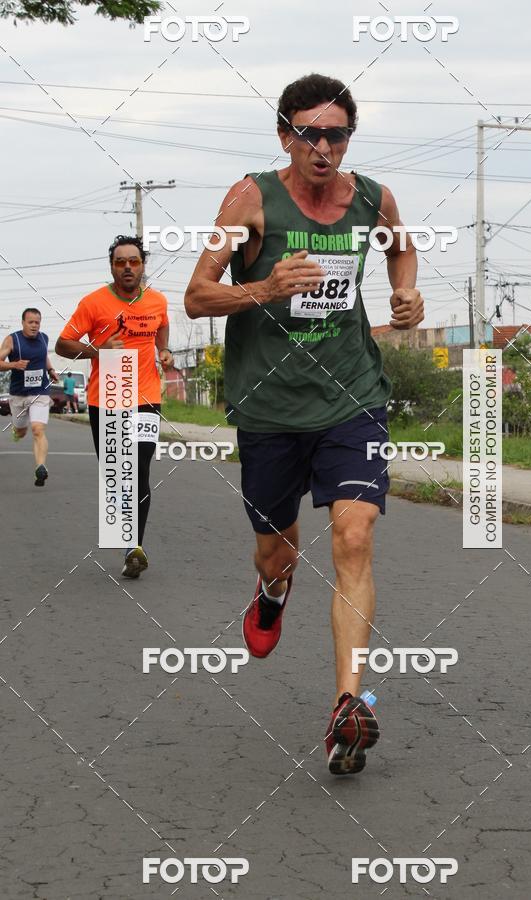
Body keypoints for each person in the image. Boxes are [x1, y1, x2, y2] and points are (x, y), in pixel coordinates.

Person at [185, 74, 424, 774]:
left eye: (336, 135)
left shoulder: (372, 198)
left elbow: (401, 247)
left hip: (351, 395)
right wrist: (264, 287)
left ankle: (348, 704)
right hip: (268, 404)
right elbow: (197, 296)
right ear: (285, 134)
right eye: (308, 133)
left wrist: (404, 292)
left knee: (354, 535)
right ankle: (272, 590)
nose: (322, 147)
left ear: (350, 139)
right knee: (278, 552)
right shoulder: (251, 198)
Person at [56, 235, 173, 578]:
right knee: (118, 476)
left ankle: (133, 546)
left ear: (142, 265)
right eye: (120, 262)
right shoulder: (93, 303)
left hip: (147, 398)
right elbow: (63, 344)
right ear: (112, 266)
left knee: (139, 470)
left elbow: (162, 327)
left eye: (133, 261)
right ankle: (128, 542)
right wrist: (97, 350)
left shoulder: (158, 301)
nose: (127, 267)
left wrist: (164, 351)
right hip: (107, 395)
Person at [0, 307, 59, 486]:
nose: (34, 326)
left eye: (37, 322)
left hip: (39, 392)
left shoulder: (44, 338)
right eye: (31, 322)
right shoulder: (12, 339)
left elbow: (43, 357)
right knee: (21, 430)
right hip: (18, 394)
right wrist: (14, 365)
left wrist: (50, 370)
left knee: (38, 429)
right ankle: (17, 431)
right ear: (23, 322)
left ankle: (40, 467)